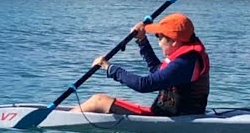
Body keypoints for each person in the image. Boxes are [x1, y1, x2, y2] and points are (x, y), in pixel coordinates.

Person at [74, 13, 210, 116]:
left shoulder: (185, 63)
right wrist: (142, 41)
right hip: (171, 115)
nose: (158, 42)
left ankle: (60, 119)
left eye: (159, 36)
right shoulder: (185, 59)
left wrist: (109, 68)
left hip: (175, 118)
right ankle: (69, 115)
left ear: (174, 41)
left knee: (98, 101)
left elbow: (144, 85)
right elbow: (156, 71)